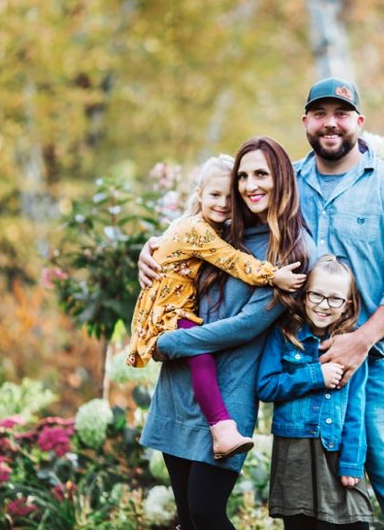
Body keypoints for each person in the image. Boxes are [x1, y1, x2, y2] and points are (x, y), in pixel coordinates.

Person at [139, 77, 384, 530]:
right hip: (300, 364)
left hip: (372, 362)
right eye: (319, 113)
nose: (330, 123)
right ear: (306, 122)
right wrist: (155, 250)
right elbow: (214, 221)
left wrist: (360, 341)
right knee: (313, 497)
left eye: (342, 113)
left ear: (359, 121)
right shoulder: (291, 185)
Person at [139, 137, 312, 530]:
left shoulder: (291, 253)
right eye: (243, 177)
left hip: (227, 392)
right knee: (187, 511)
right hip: (180, 386)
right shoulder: (221, 231)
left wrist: (170, 341)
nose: (250, 186)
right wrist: (146, 251)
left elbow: (244, 327)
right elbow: (173, 256)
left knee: (208, 505)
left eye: (261, 176)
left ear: (282, 180)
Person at [126, 153, 305, 460]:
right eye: (214, 195)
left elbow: (248, 323)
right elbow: (232, 261)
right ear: (199, 195)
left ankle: (221, 426)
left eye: (229, 197)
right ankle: (221, 426)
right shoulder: (200, 231)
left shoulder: (224, 231)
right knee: (200, 356)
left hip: (181, 315)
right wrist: (273, 276)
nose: (223, 203)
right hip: (171, 310)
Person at [257, 255, 373, 530]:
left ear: (348, 304)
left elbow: (356, 410)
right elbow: (266, 385)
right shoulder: (284, 334)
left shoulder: (354, 347)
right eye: (317, 295)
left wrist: (353, 461)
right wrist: (314, 376)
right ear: (303, 294)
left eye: (335, 299)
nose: (324, 305)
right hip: (295, 449)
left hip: (338, 450)